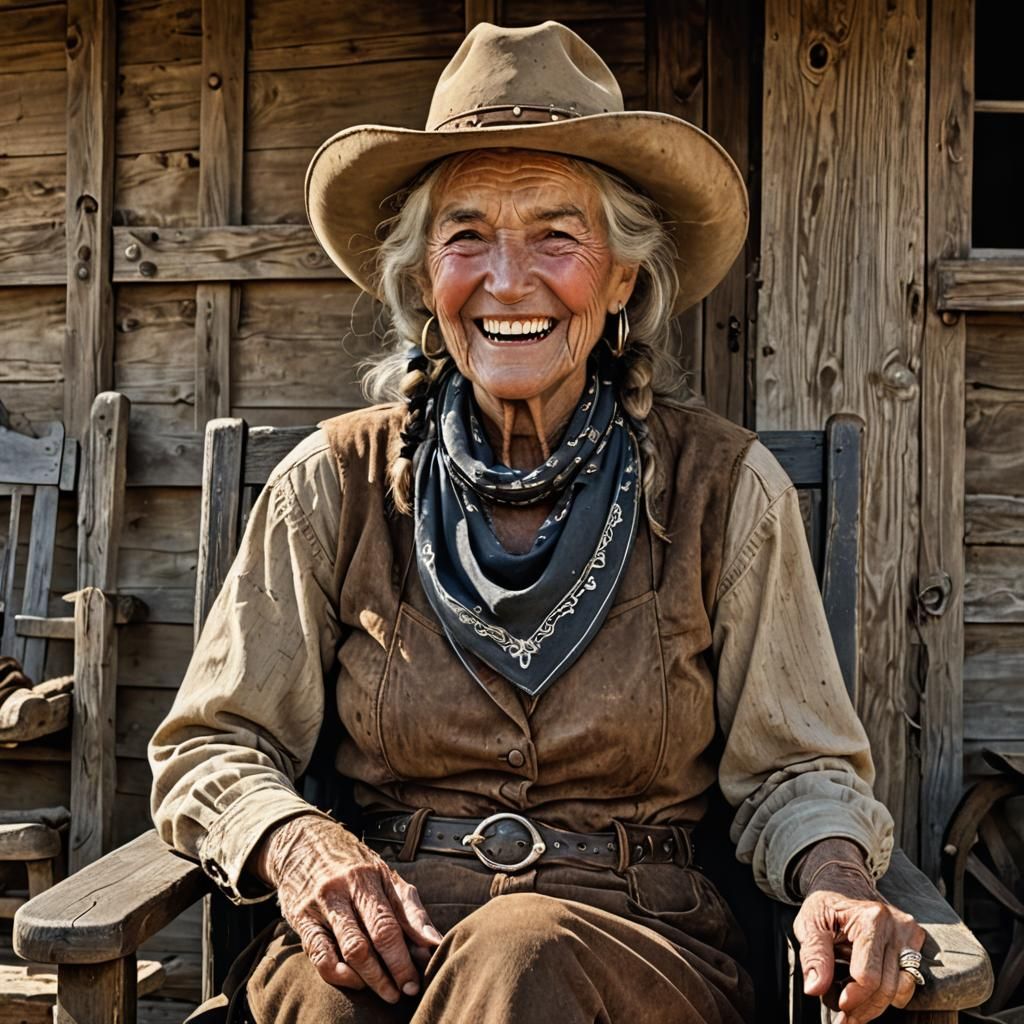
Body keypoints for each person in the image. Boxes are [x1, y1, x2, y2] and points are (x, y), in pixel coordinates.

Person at [150, 21, 926, 1024]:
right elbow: (212, 745)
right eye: (466, 234)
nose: (506, 279)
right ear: (425, 278)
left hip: (638, 945)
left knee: (519, 960)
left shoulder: (726, 486)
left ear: (621, 281)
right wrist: (298, 843)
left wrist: (835, 871)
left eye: (556, 236)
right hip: (379, 934)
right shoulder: (333, 482)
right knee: (318, 1003)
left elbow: (798, 767)